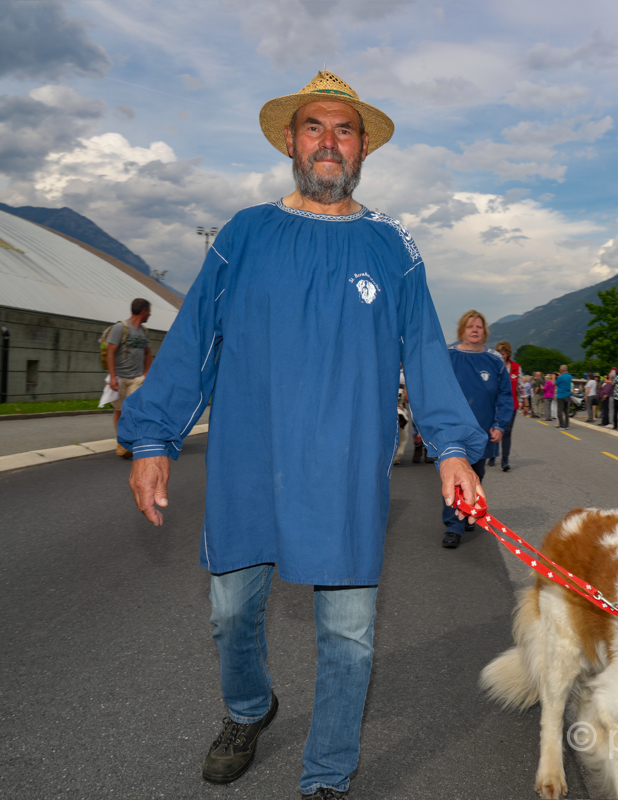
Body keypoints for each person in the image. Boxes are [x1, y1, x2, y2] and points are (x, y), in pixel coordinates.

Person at [117, 71, 487, 800]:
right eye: (314, 127)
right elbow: (194, 340)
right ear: (291, 141)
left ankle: (326, 777)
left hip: (346, 469)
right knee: (230, 610)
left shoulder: (393, 248)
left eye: (343, 130)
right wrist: (155, 438)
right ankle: (250, 709)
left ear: (363, 149)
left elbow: (425, 352)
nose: (328, 141)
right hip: (249, 463)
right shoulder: (245, 235)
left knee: (348, 636)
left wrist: (450, 449)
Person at [442, 313, 512, 543]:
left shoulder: (494, 360)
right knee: (455, 477)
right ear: (462, 330)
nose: (475, 330)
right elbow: (436, 393)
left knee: (476, 475)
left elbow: (505, 396)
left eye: (479, 326)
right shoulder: (449, 356)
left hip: (482, 433)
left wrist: (499, 425)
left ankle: (467, 512)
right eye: (470, 326)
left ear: (485, 331)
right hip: (454, 432)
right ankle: (453, 526)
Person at [106, 298, 153, 458]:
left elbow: (147, 353)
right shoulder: (121, 327)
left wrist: (146, 373)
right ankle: (121, 442)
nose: (150, 314)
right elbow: (110, 352)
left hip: (136, 379)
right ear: (143, 312)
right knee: (119, 410)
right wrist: (112, 377)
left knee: (132, 410)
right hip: (120, 377)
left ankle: (129, 441)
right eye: (149, 311)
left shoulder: (144, 331)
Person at [492, 340, 521, 471]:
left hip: (511, 405)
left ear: (508, 354)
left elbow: (520, 387)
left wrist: (525, 402)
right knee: (493, 430)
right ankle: (492, 454)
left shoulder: (516, 367)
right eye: (498, 353)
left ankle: (505, 461)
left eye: (503, 354)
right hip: (494, 404)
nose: (501, 356)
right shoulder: (492, 366)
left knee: (507, 432)